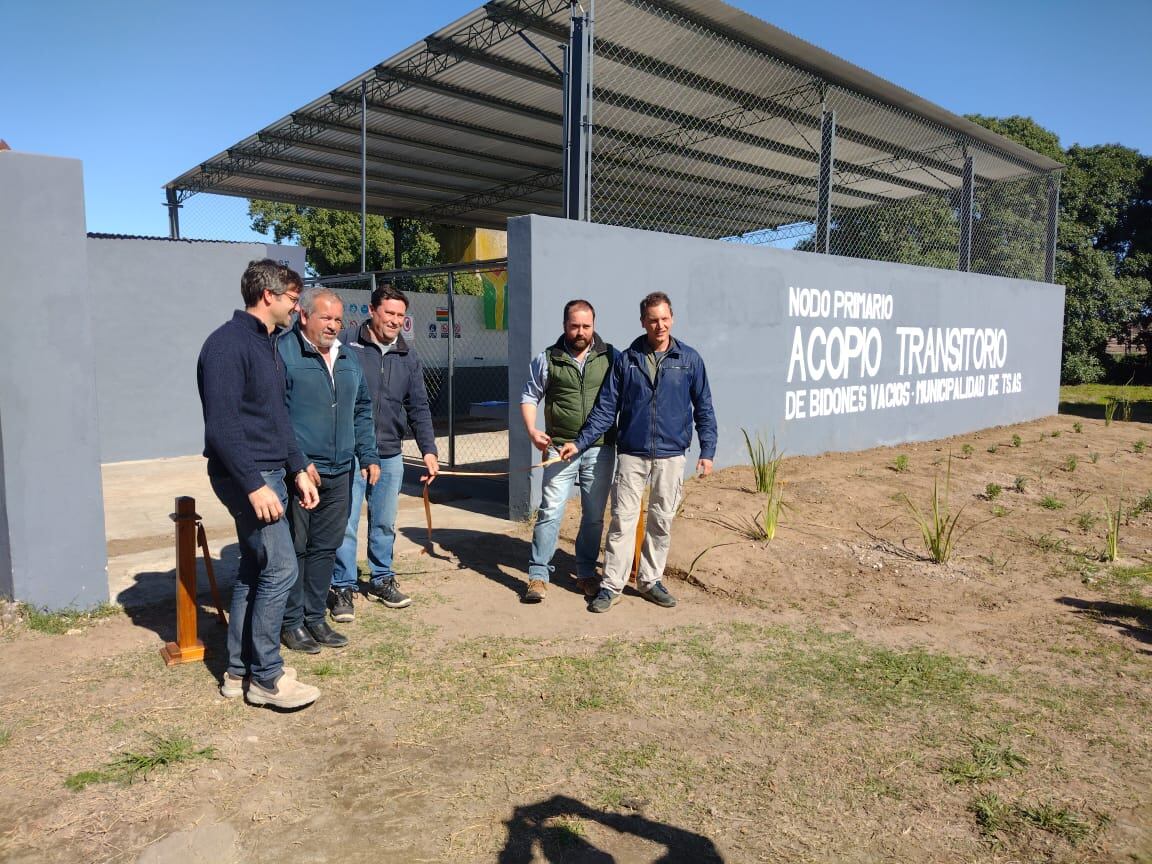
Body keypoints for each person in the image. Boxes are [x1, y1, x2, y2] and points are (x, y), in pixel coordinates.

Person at [197, 259, 321, 708]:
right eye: (292, 298)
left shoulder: (267, 344)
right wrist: (254, 484)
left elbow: (276, 418)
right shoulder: (227, 346)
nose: (296, 307)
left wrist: (299, 467)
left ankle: (237, 670)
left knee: (255, 568)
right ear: (267, 295)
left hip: (270, 471)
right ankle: (267, 678)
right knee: (282, 568)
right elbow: (223, 427)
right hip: (246, 476)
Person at [559, 291, 717, 613]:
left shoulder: (689, 360)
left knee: (661, 520)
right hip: (632, 454)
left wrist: (708, 450)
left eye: (664, 319)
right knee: (622, 521)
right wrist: (581, 440)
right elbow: (606, 408)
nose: (659, 325)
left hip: (672, 455)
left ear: (671, 318)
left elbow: (704, 408)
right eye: (652, 320)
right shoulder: (626, 360)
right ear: (643, 321)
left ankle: (649, 581)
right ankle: (611, 585)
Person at [278, 287, 380, 653]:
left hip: (341, 473)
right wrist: (297, 465)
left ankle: (315, 617)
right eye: (326, 317)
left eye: (338, 319)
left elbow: (362, 409)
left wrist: (368, 455)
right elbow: (276, 416)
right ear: (304, 316)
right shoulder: (284, 354)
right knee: (296, 548)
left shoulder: (349, 358)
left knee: (326, 547)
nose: (334, 326)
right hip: (302, 474)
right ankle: (291, 623)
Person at [329, 283, 439, 620]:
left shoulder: (408, 355)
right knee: (345, 524)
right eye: (388, 313)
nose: (394, 320)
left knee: (385, 523)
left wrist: (429, 450)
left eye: (400, 315)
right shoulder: (345, 348)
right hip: (351, 454)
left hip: (390, 453)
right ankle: (343, 586)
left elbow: (418, 406)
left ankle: (381, 578)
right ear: (373, 311)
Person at [520, 299, 617, 603]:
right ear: (564, 325)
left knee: (593, 516)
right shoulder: (548, 359)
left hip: (600, 449)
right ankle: (538, 575)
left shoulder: (610, 357)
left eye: (586, 326)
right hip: (559, 448)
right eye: (574, 325)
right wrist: (532, 430)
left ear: (594, 325)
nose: (580, 332)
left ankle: (586, 573)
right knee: (550, 511)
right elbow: (528, 396)